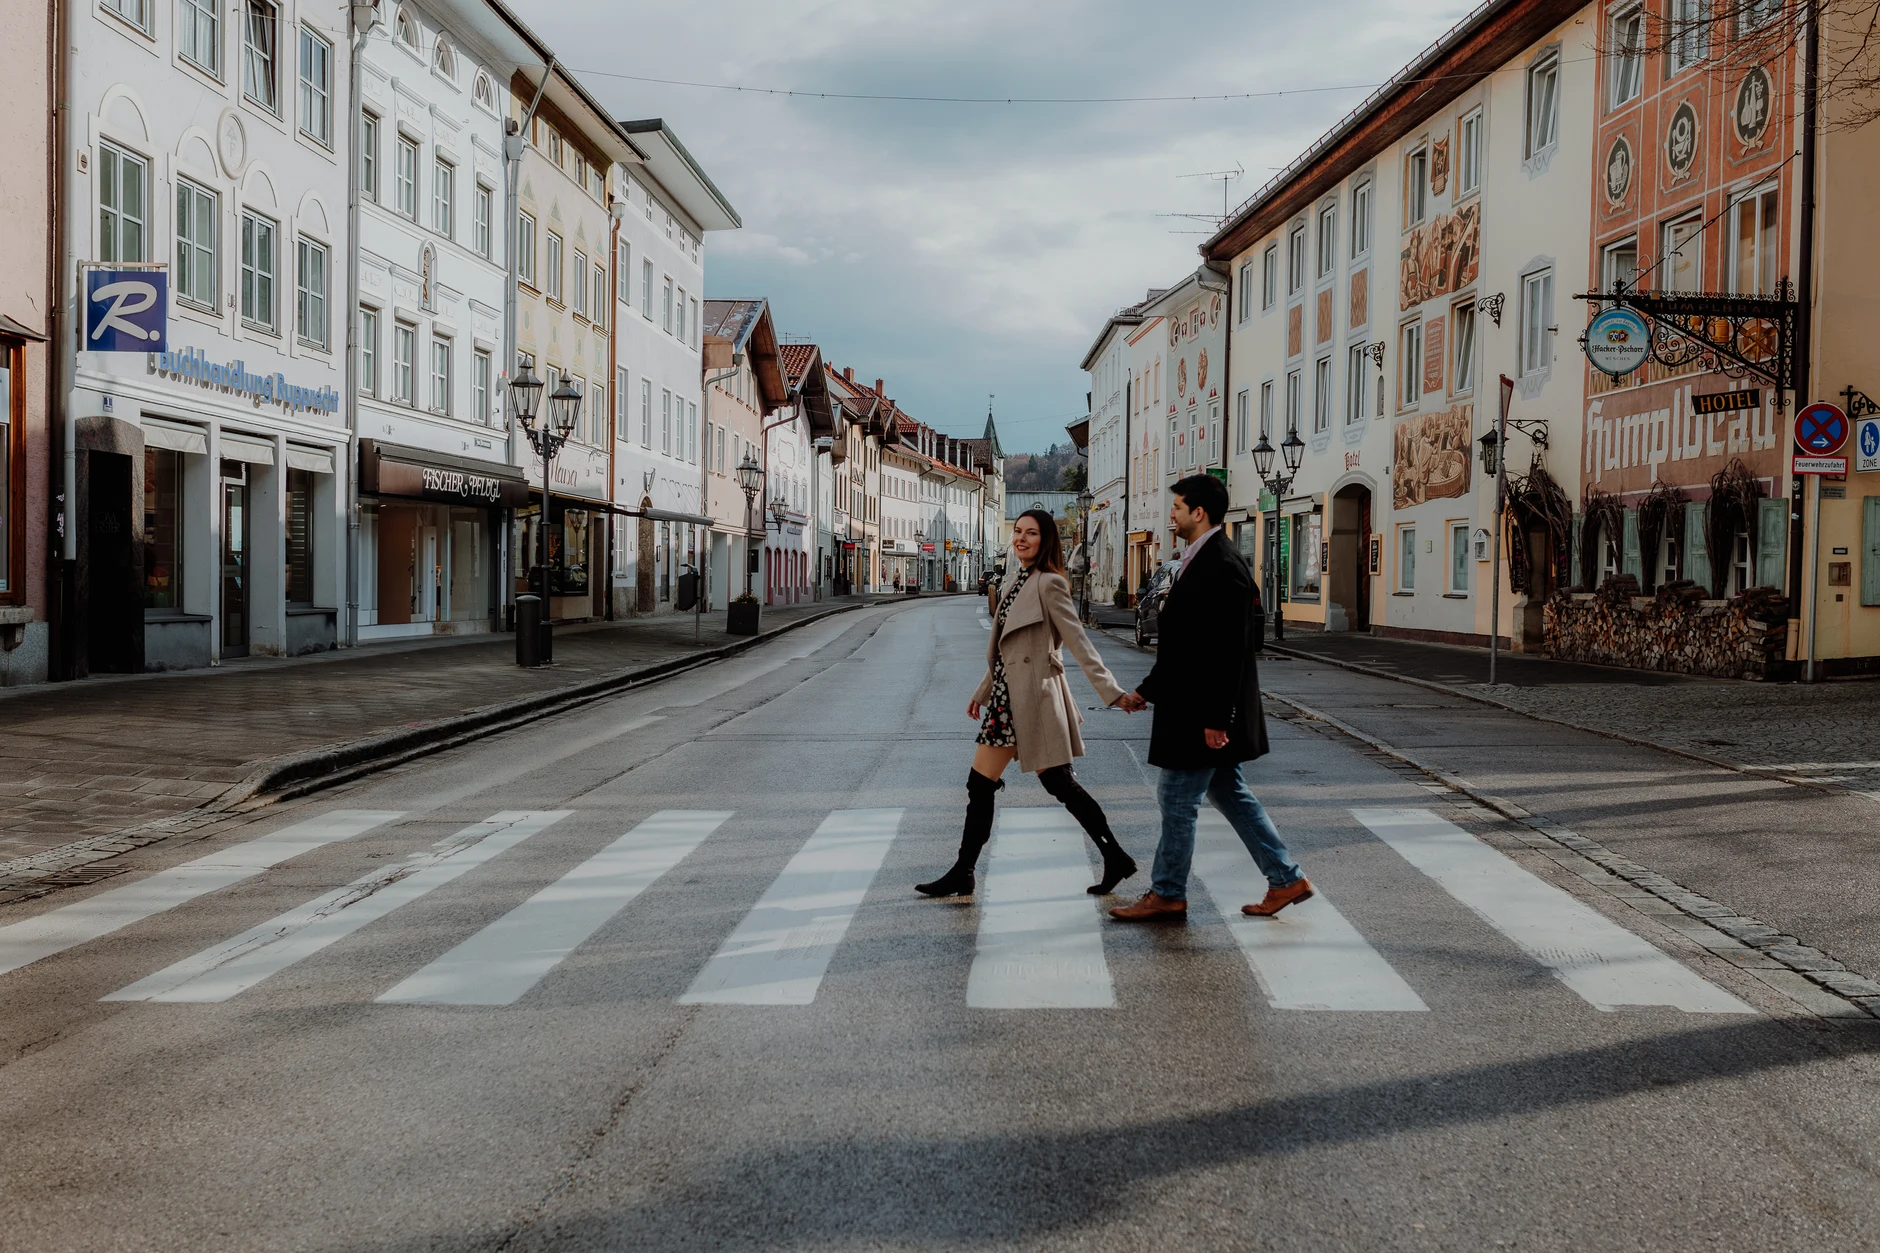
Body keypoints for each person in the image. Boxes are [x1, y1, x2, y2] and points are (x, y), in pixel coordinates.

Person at [1110, 473, 1312, 923]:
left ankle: (1167, 893)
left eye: (1177, 507)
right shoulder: (1200, 559)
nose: (1172, 515)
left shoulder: (1221, 565)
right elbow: (1184, 646)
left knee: (1177, 802)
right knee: (1229, 792)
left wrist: (1218, 718)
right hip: (1193, 706)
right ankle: (1285, 878)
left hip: (1202, 713)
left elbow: (1229, 652)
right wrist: (1145, 691)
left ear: (1198, 513)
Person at [917, 508, 1139, 898]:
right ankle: (963, 870)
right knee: (980, 784)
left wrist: (1112, 692)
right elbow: (1008, 648)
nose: (1021, 538)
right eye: (1017, 532)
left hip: (1036, 696)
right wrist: (982, 691)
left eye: (1031, 533)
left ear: (1045, 539)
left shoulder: (1050, 583)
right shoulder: (1013, 580)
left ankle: (1115, 856)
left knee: (1059, 784)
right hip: (1006, 697)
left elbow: (1078, 642)